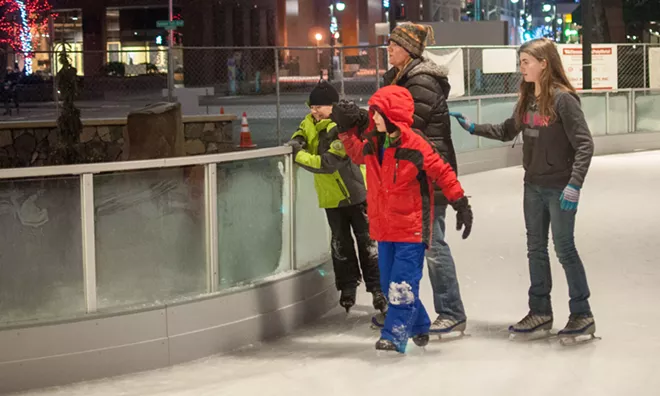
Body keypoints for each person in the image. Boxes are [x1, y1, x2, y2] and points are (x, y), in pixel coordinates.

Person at [450, 38, 596, 339]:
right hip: (533, 186)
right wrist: (473, 127)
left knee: (564, 249)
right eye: (521, 62)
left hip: (559, 188)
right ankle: (540, 311)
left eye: (527, 61)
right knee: (535, 250)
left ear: (545, 63)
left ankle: (582, 313)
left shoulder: (563, 100)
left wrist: (574, 184)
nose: (522, 67)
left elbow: (585, 144)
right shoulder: (528, 99)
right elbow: (507, 130)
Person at [331, 85, 473, 353]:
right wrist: (345, 130)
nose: (372, 118)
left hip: (411, 229)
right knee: (388, 285)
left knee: (402, 285)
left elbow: (442, 172)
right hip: (384, 229)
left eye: (378, 114)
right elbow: (356, 154)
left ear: (392, 115)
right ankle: (419, 324)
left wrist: (460, 202)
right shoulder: (373, 143)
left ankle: (395, 335)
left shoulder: (416, 144)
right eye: (372, 113)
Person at [381, 22, 467, 335]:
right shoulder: (398, 78)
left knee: (432, 245)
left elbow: (405, 129)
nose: (388, 48)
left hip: (428, 176)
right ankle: (405, 309)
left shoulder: (421, 83)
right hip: (409, 176)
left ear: (411, 50)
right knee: (409, 243)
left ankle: (451, 311)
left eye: (395, 44)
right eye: (389, 43)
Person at [286, 80, 386, 314]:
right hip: (330, 198)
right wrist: (298, 141)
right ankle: (347, 287)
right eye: (311, 107)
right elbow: (302, 131)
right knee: (340, 244)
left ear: (332, 107)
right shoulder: (310, 122)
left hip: (356, 194)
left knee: (367, 243)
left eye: (318, 107)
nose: (313, 111)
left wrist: (297, 156)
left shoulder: (341, 127)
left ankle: (378, 290)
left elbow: (328, 163)